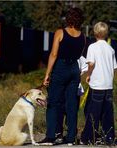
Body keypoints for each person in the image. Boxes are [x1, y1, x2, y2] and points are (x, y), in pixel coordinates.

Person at [39, 7, 85, 146]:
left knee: (53, 102)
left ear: (68, 19)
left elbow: (53, 54)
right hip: (74, 70)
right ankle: (71, 138)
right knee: (71, 105)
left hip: (61, 68)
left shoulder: (60, 32)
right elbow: (79, 55)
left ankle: (51, 137)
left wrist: (47, 74)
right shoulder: (82, 36)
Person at [80, 22, 117, 145]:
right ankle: (109, 137)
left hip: (97, 85)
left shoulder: (92, 47)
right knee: (107, 113)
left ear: (95, 32)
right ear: (106, 33)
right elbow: (114, 68)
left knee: (92, 112)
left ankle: (89, 137)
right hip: (108, 85)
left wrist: (89, 75)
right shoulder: (110, 49)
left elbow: (91, 64)